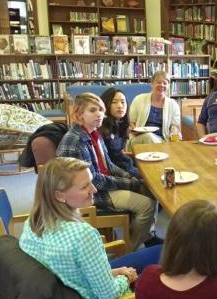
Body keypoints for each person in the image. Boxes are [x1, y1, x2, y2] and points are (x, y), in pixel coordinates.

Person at [19, 157, 137, 299]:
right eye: (85, 187)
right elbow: (109, 296)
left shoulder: (32, 223)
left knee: (149, 260)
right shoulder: (82, 235)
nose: (94, 190)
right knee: (157, 275)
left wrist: (116, 272)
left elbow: (71, 274)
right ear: (59, 195)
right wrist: (125, 277)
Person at [57, 92, 160, 250]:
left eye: (100, 109)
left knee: (151, 191)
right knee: (146, 205)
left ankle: (145, 236)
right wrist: (130, 183)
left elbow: (109, 165)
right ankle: (128, 250)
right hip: (90, 194)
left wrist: (129, 177)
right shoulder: (76, 140)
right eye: (92, 110)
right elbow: (94, 180)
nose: (99, 114)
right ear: (79, 114)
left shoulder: (94, 134)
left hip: (100, 186)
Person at [127, 70, 181, 149]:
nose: (162, 85)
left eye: (165, 83)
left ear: (169, 86)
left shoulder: (173, 104)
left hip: (163, 141)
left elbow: (175, 127)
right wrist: (134, 130)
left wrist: (175, 137)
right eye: (158, 82)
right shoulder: (139, 99)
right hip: (138, 139)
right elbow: (130, 122)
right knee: (148, 136)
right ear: (151, 84)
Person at [99, 87, 139, 178]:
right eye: (114, 102)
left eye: (123, 102)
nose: (120, 106)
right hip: (118, 174)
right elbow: (107, 162)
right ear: (105, 104)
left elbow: (118, 152)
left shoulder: (121, 124)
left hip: (127, 166)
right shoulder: (101, 129)